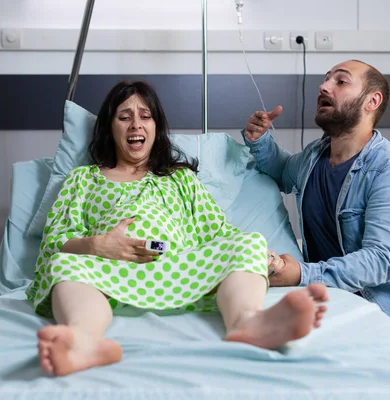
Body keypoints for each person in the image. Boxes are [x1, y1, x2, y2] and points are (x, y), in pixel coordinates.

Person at [26, 80, 329, 376]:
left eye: (145, 116)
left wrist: (262, 257)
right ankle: (84, 339)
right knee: (64, 263)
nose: (136, 125)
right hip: (106, 267)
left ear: (156, 128)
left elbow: (218, 232)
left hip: (179, 266)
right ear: (109, 127)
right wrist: (97, 246)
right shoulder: (83, 179)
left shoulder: (179, 178)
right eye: (124, 117)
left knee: (248, 242)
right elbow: (55, 240)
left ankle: (248, 322)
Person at [243, 59, 390, 362]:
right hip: (350, 318)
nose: (324, 86)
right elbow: (282, 172)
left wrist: (302, 274)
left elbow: (380, 261)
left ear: (372, 101)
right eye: (325, 79)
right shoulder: (314, 156)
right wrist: (261, 140)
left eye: (341, 81)